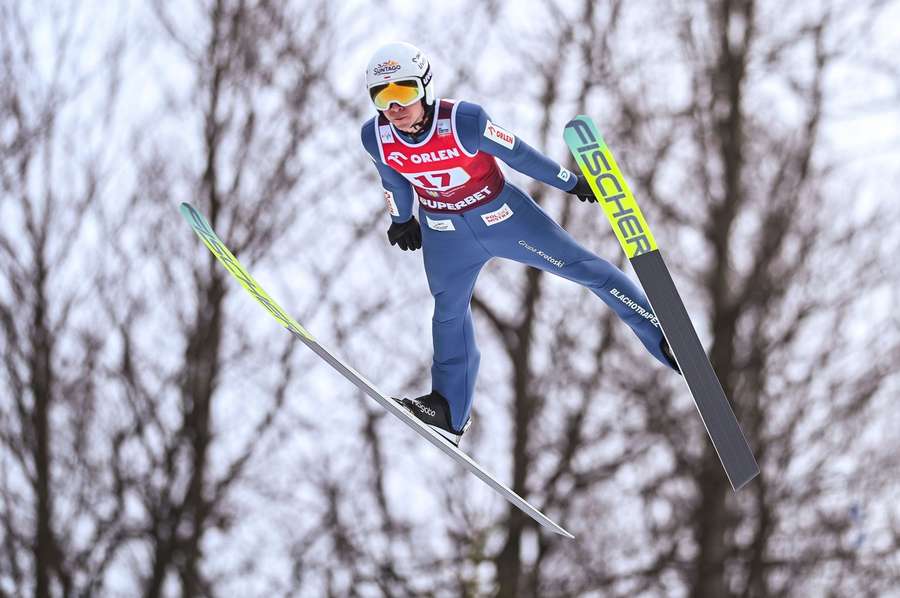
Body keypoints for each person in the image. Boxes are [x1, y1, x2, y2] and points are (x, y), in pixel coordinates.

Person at [360, 42, 678, 446]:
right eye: (381, 97)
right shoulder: (377, 137)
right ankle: (449, 411)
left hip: (504, 218)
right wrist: (400, 219)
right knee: (448, 312)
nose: (395, 107)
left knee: (585, 269)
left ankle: (662, 334)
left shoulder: (464, 121)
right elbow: (393, 180)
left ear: (425, 87)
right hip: (444, 233)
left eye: (403, 93)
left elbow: (519, 154)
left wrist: (569, 181)